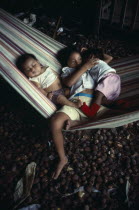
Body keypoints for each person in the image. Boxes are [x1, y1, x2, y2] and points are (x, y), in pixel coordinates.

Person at [50, 46, 110, 179]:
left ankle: (76, 122)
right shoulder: (67, 71)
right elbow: (69, 82)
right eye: (73, 61)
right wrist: (83, 66)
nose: (77, 63)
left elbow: (108, 58)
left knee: (116, 115)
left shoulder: (93, 67)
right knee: (55, 122)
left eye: (79, 59)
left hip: (93, 104)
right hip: (75, 104)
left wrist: (87, 52)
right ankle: (62, 158)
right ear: (66, 64)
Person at [16, 53, 82, 108]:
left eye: (33, 65)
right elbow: (38, 89)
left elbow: (56, 75)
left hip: (62, 88)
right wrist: (46, 94)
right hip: (53, 95)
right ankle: (74, 105)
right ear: (24, 73)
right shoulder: (33, 79)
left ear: (38, 62)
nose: (32, 69)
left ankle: (78, 103)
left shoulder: (46, 68)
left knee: (69, 91)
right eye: (28, 69)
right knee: (60, 98)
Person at [80, 47, 121, 117]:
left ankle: (91, 112)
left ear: (92, 57)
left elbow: (110, 57)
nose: (83, 61)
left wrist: (88, 50)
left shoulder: (95, 62)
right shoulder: (98, 63)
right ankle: (116, 105)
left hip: (108, 78)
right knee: (102, 99)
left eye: (83, 58)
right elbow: (110, 58)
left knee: (98, 96)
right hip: (114, 80)